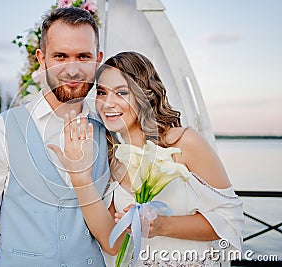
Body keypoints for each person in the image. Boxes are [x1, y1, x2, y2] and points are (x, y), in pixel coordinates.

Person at [49, 51, 244, 266]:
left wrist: (161, 225)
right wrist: (80, 178)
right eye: (102, 92)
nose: (107, 103)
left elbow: (230, 220)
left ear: (144, 94)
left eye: (121, 92)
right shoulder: (114, 156)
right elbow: (112, 243)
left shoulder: (184, 142)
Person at [0, 7, 109, 267]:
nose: (72, 70)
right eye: (60, 56)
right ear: (42, 60)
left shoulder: (109, 132)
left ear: (97, 59)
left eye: (83, 56)